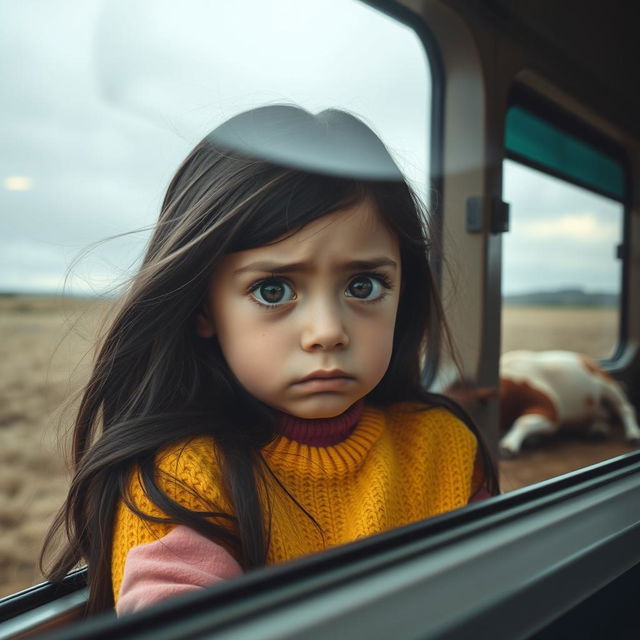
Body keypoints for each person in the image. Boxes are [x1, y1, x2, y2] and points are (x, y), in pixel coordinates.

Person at [41, 105, 499, 616]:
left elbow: (499, 596)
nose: (327, 331)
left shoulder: (445, 447)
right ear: (203, 309)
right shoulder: (183, 480)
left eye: (363, 285)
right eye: (273, 289)